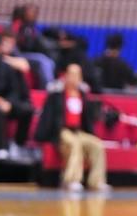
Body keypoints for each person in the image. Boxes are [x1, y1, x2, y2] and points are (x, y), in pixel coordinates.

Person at [34, 63, 109, 194]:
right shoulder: (56, 96)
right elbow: (48, 117)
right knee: (74, 144)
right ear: (66, 76)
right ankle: (72, 180)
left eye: (77, 75)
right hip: (62, 131)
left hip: (79, 131)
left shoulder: (83, 96)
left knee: (97, 145)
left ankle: (96, 181)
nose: (74, 78)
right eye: (71, 74)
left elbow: (88, 119)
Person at [0, 32, 34, 159]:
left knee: (28, 109)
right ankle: (1, 148)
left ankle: (18, 144)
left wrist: (9, 103)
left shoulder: (10, 64)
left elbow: (15, 88)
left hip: (9, 101)